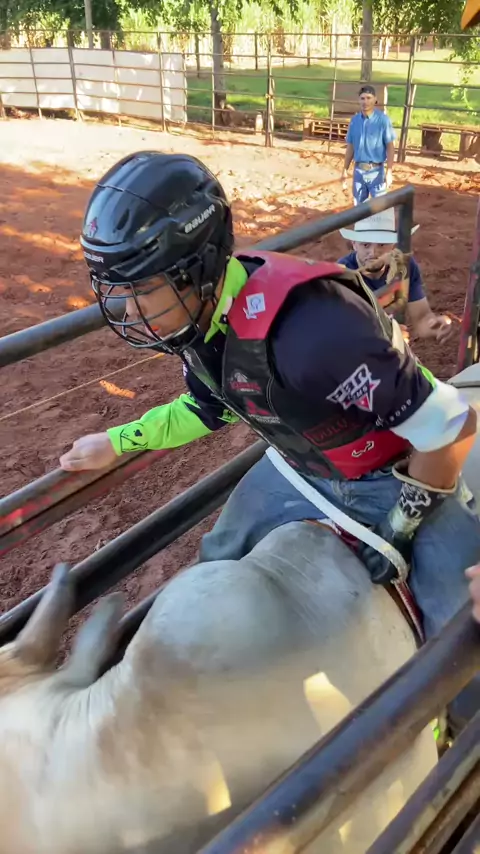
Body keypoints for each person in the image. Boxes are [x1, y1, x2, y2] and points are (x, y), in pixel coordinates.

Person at [60, 151, 480, 728]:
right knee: (218, 558)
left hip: (398, 470)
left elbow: (452, 425)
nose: (127, 309)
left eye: (143, 289)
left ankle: (459, 751)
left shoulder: (316, 334)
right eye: (118, 289)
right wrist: (121, 440)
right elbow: (207, 406)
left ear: (199, 268)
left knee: (461, 635)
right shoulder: (201, 318)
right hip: (302, 463)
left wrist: (406, 520)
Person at [337, 208, 453, 342]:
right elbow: (341, 331)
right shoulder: (342, 274)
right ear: (354, 244)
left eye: (382, 245)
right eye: (365, 245)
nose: (373, 252)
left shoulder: (404, 266)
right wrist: (387, 334)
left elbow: (421, 317)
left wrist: (434, 326)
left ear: (393, 245)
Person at [341, 84, 396, 205]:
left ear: (375, 99)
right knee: (359, 208)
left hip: (376, 172)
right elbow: (350, 147)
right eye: (362, 98)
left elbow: (390, 147)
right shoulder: (354, 121)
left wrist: (389, 171)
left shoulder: (383, 120)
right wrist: (345, 169)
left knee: (380, 207)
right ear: (358, 100)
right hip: (358, 171)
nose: (365, 102)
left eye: (368, 98)